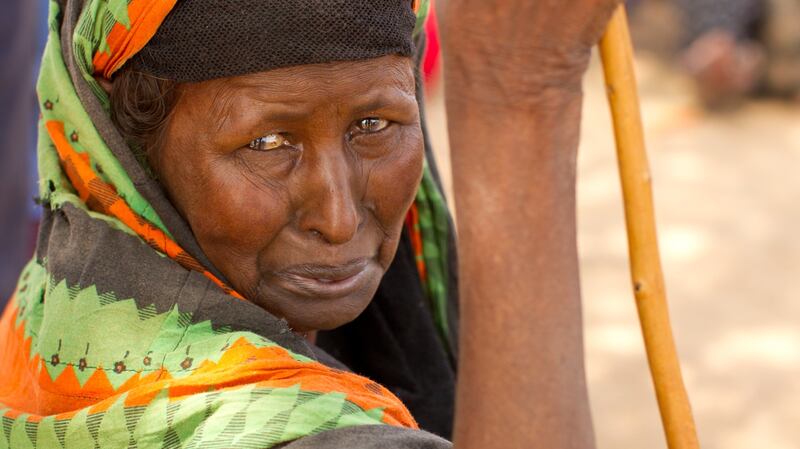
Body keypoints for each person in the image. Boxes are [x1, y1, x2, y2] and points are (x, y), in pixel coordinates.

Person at [0, 0, 619, 448]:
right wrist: (519, 98)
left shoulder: (48, 317)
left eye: (374, 126)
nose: (339, 218)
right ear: (133, 153)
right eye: (268, 142)